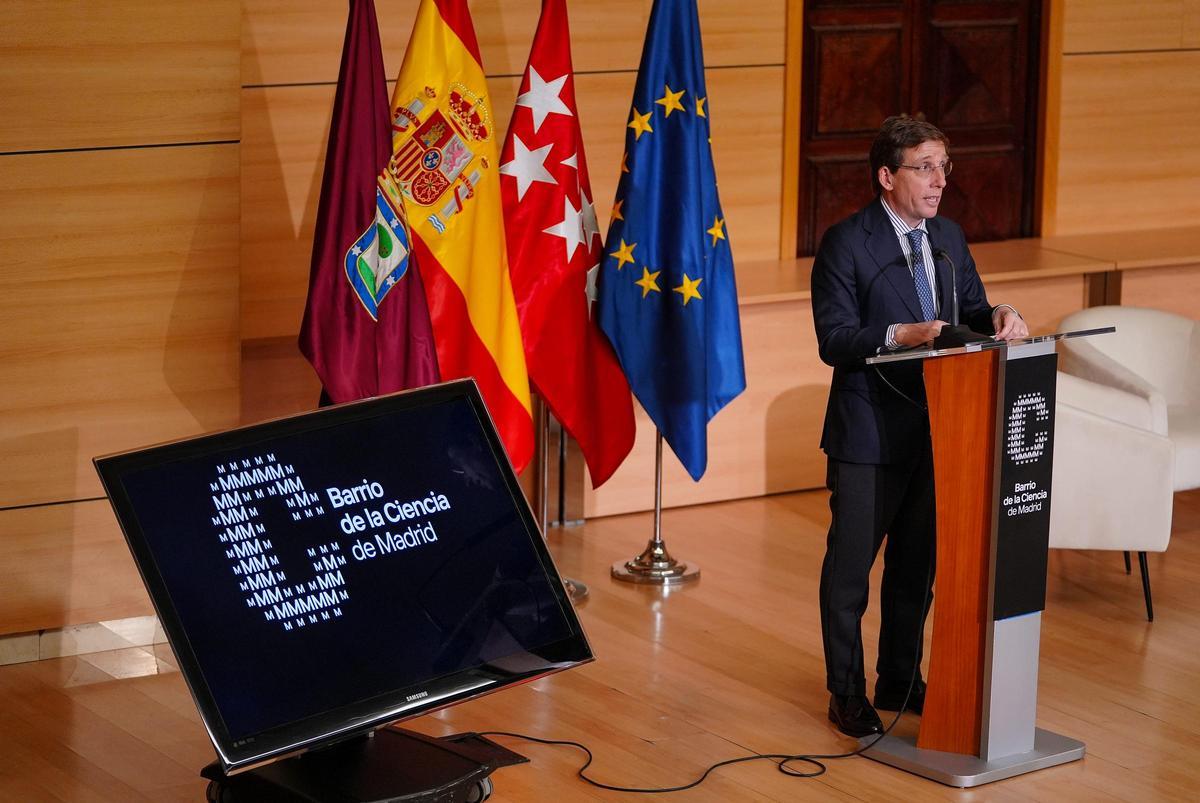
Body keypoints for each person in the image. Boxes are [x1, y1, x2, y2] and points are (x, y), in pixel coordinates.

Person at [810, 115, 1029, 738]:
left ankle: (900, 679)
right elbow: (834, 339)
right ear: (887, 176)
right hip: (869, 431)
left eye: (944, 168)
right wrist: (898, 336)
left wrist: (1003, 315)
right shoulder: (847, 243)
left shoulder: (950, 237)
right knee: (852, 569)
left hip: (943, 429)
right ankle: (846, 692)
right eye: (924, 168)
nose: (939, 182)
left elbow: (973, 312)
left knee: (916, 569)